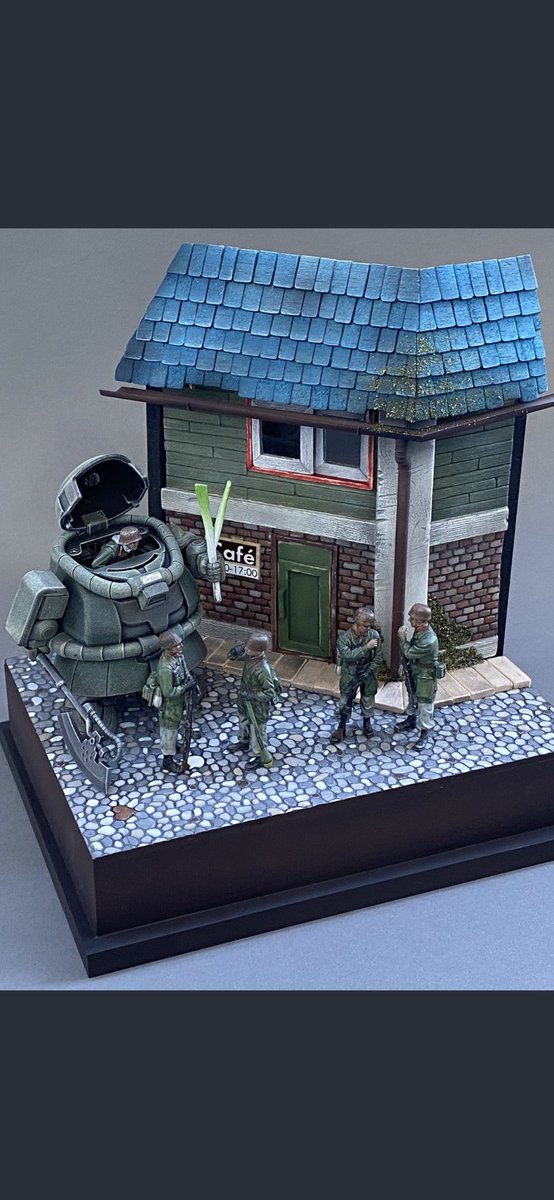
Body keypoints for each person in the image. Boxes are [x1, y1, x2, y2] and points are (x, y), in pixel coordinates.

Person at [227, 633, 281, 770]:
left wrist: (253, 696)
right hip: (244, 698)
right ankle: (243, 741)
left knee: (258, 729)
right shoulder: (249, 657)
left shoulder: (263, 669)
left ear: (258, 651)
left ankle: (259, 754)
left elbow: (269, 692)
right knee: (243, 720)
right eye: (247, 646)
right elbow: (231, 657)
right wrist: (239, 649)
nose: (246, 649)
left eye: (249, 648)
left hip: (257, 704)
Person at [330, 606, 383, 742]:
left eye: (370, 626)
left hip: (368, 673)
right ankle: (341, 726)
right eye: (365, 626)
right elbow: (348, 656)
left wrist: (369, 671)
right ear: (357, 624)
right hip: (350, 674)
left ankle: (367, 722)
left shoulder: (374, 636)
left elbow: (378, 657)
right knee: (345, 701)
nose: (368, 629)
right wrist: (366, 648)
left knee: (368, 698)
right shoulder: (344, 639)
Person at [394, 603, 440, 748]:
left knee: (425, 704)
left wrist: (402, 638)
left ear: (421, 620)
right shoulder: (420, 631)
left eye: (412, 618)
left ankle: (424, 733)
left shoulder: (429, 640)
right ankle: (411, 720)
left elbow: (409, 652)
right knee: (412, 696)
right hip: (415, 671)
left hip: (425, 677)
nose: (409, 620)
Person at [152, 630, 198, 772]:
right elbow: (169, 692)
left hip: (180, 701)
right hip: (170, 706)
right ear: (168, 648)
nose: (181, 646)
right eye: (177, 645)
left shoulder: (178, 657)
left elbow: (185, 672)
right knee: (169, 731)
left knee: (176, 726)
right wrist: (185, 687)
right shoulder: (165, 668)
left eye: (180, 643)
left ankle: (174, 747)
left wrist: (192, 684)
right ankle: (168, 760)